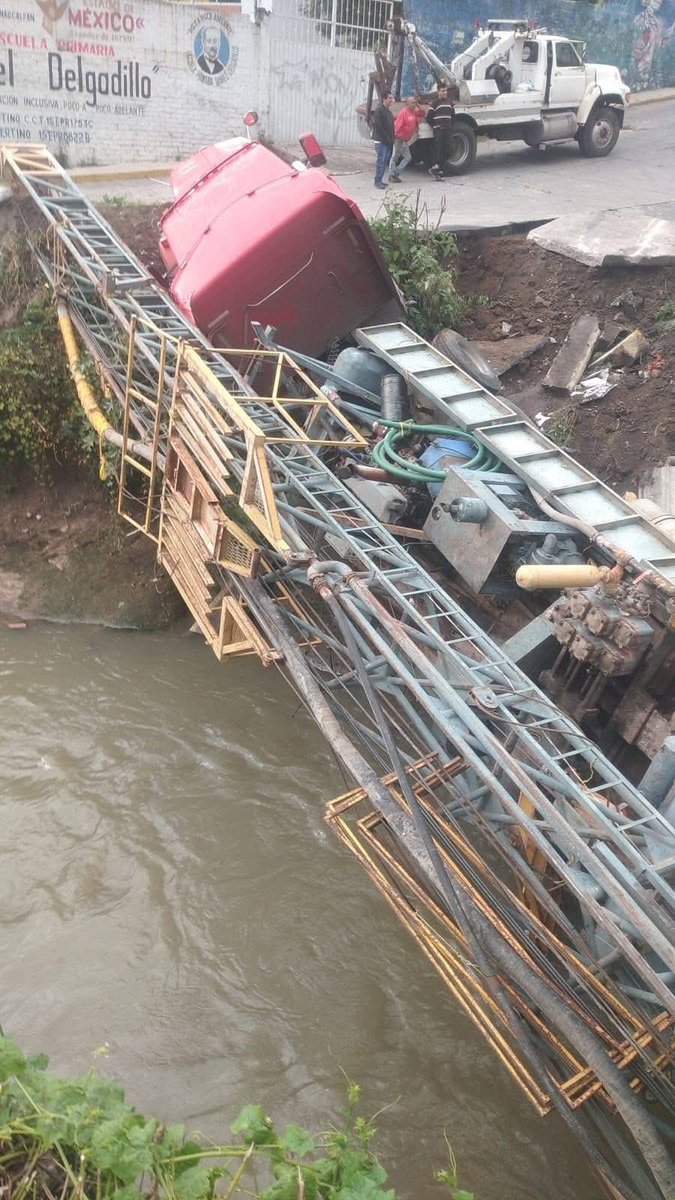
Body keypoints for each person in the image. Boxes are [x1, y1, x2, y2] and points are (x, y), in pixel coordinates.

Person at [389, 96, 427, 183]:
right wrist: (399, 137)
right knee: (395, 156)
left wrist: (418, 104)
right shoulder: (404, 113)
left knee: (408, 157)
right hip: (399, 139)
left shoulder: (413, 112)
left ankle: (396, 172)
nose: (414, 104)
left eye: (414, 102)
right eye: (412, 103)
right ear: (407, 104)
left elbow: (422, 113)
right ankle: (392, 175)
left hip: (405, 140)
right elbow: (398, 126)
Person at [427, 83, 455, 180]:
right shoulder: (434, 103)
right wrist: (435, 125)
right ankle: (436, 170)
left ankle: (436, 167)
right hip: (438, 130)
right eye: (442, 91)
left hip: (447, 130)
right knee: (438, 150)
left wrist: (450, 125)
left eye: (446, 90)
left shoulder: (450, 102)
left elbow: (453, 115)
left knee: (450, 150)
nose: (445, 92)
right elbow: (429, 117)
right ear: (438, 92)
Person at [370, 92, 395, 190]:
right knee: (381, 161)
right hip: (381, 141)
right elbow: (379, 126)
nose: (392, 100)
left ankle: (380, 180)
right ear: (384, 99)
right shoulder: (379, 110)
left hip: (388, 141)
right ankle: (377, 181)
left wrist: (392, 138)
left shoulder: (388, 111)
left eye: (392, 98)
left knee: (384, 161)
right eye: (390, 98)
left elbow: (391, 126)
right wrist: (386, 138)